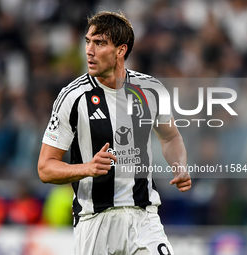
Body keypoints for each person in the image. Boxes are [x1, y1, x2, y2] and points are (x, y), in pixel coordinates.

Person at [38, 11, 191, 255]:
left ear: (120, 50)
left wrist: (179, 164)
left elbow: (171, 136)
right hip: (94, 222)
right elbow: (45, 168)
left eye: (99, 43)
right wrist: (86, 168)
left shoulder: (150, 90)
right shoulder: (73, 97)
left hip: (144, 217)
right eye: (88, 41)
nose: (89, 50)